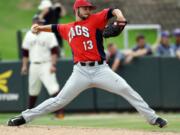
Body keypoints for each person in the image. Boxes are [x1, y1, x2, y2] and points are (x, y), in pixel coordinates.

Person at [7, 0, 167, 128]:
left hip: (101, 69)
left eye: (90, 8)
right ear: (77, 9)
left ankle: (153, 118)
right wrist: (40, 27)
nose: (88, 10)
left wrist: (120, 16)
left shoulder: (96, 19)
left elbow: (112, 10)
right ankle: (24, 117)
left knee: (126, 89)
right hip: (80, 72)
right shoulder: (68, 27)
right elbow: (55, 27)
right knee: (59, 101)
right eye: (85, 8)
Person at [21, 16, 64, 119]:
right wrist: (24, 66)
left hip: (46, 64)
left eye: (41, 22)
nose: (39, 24)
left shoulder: (48, 34)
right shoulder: (28, 35)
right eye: (38, 22)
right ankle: (28, 115)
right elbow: (25, 53)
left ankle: (60, 113)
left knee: (53, 88)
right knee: (32, 90)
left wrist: (53, 65)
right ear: (33, 23)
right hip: (34, 65)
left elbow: (54, 51)